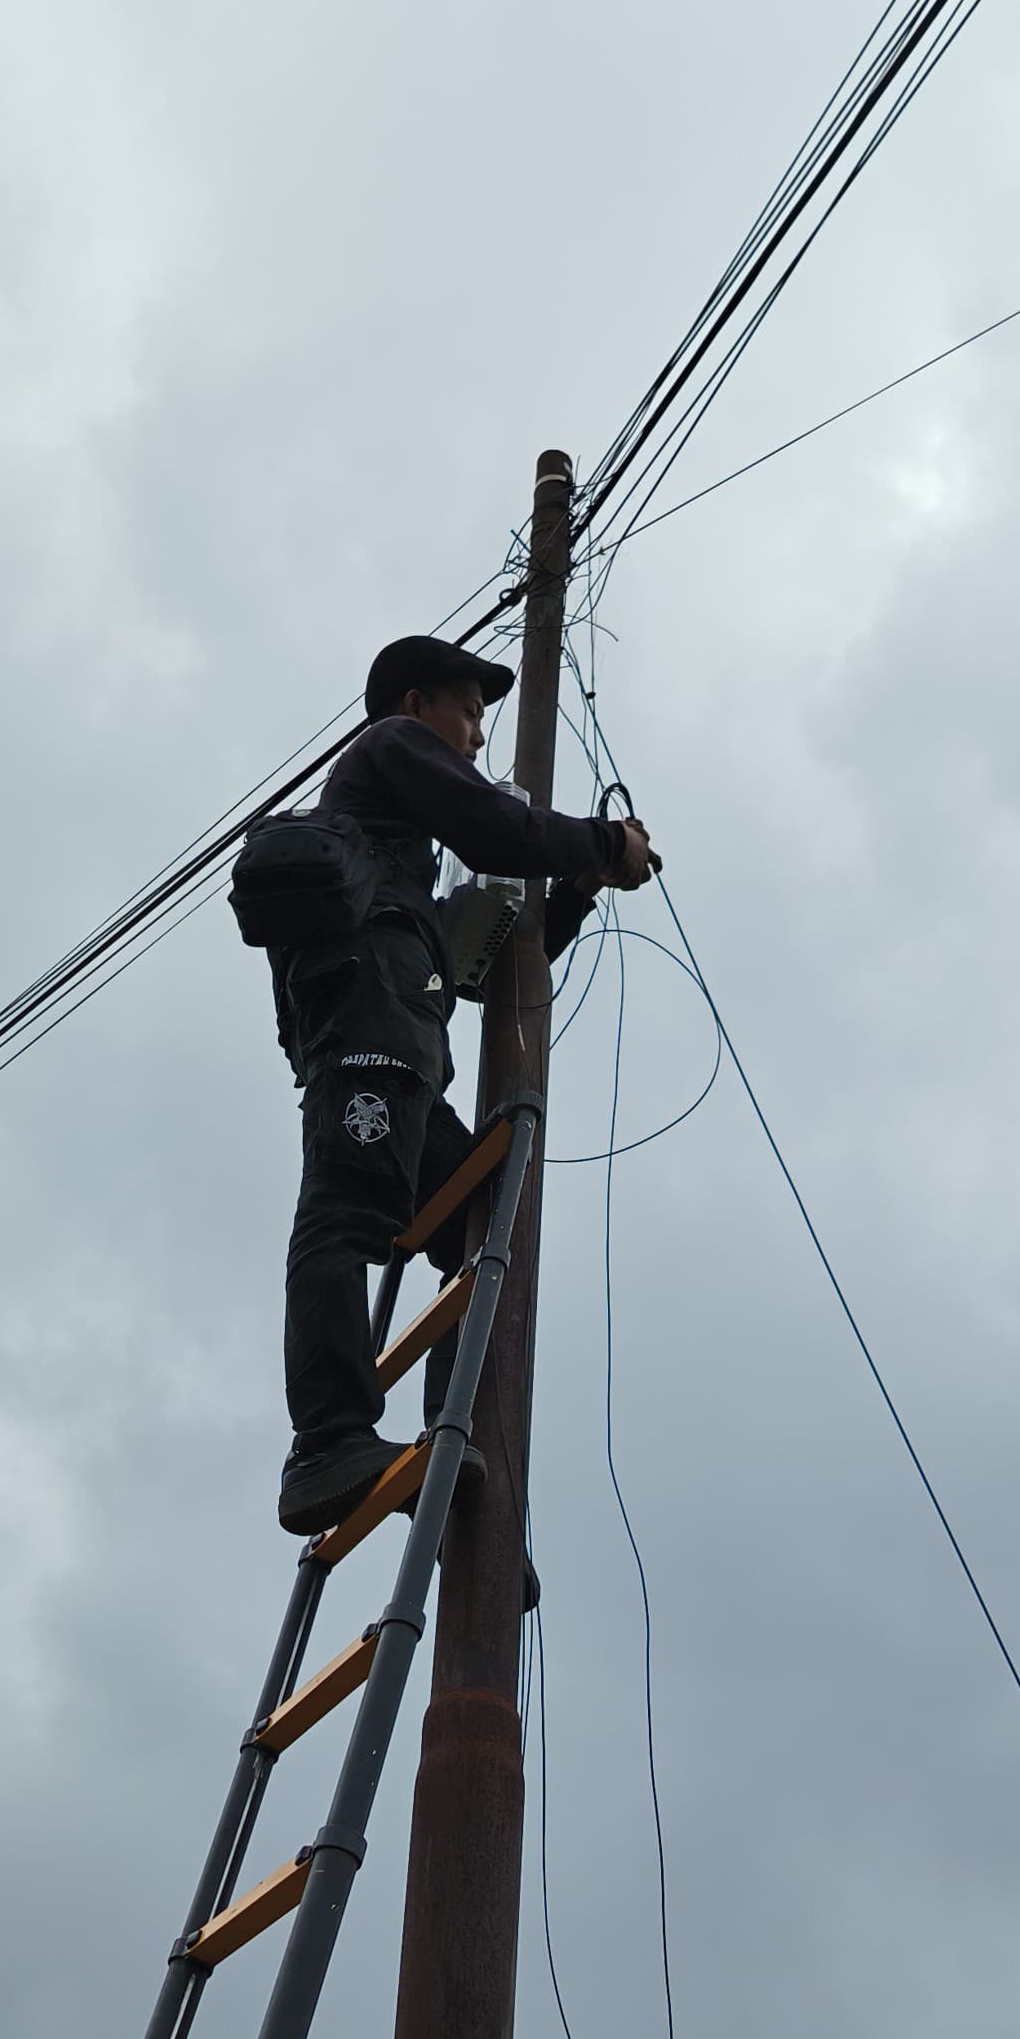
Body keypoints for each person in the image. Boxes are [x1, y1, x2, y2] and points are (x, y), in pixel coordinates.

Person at [267, 632, 658, 1536]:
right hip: (366, 1039)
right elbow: (494, 828)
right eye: (470, 713)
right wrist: (606, 839)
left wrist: (580, 884)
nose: (479, 736)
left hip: (398, 1048)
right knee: (343, 1215)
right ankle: (326, 1443)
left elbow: (480, 968)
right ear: (416, 706)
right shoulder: (390, 744)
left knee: (475, 1228)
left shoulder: (394, 868)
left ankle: (450, 1460)